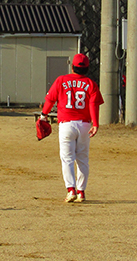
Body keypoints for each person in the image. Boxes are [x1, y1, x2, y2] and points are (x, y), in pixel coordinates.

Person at [39, 53, 104, 203]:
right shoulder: (91, 83)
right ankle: (81, 192)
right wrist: (96, 124)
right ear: (87, 68)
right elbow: (93, 105)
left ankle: (71, 190)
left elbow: (49, 100)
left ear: (72, 66)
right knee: (82, 159)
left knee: (67, 159)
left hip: (66, 124)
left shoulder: (62, 80)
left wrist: (43, 115)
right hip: (85, 125)